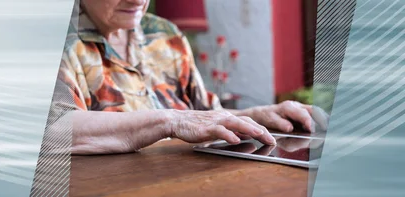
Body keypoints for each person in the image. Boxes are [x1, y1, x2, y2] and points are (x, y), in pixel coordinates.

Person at [50, 0, 315, 155]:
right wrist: (170, 119)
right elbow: (54, 130)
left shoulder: (165, 33)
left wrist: (258, 115)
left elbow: (205, 115)